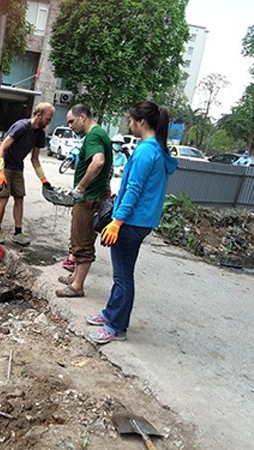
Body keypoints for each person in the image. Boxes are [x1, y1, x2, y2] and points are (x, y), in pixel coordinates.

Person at [86, 101, 178, 344]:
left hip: (131, 222)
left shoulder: (146, 151)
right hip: (142, 221)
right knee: (123, 274)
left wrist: (116, 221)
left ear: (141, 122)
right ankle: (110, 314)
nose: (129, 124)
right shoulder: (157, 149)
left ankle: (116, 326)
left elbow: (133, 190)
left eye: (131, 120)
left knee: (123, 276)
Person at [56, 104, 112, 297]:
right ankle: (74, 278)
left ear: (83, 117)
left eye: (71, 121)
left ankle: (77, 286)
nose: (70, 126)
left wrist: (81, 188)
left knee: (82, 242)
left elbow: (98, 162)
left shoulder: (94, 136)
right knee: (83, 238)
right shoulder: (100, 133)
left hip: (89, 199)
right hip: (96, 195)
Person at [0, 102, 54, 246]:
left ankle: (18, 233)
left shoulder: (40, 134)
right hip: (4, 164)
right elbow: (1, 149)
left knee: (19, 197)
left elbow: (35, 159)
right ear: (38, 115)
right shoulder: (21, 127)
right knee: (4, 197)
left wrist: (44, 180)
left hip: (17, 167)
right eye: (48, 119)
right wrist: (0, 172)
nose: (48, 122)